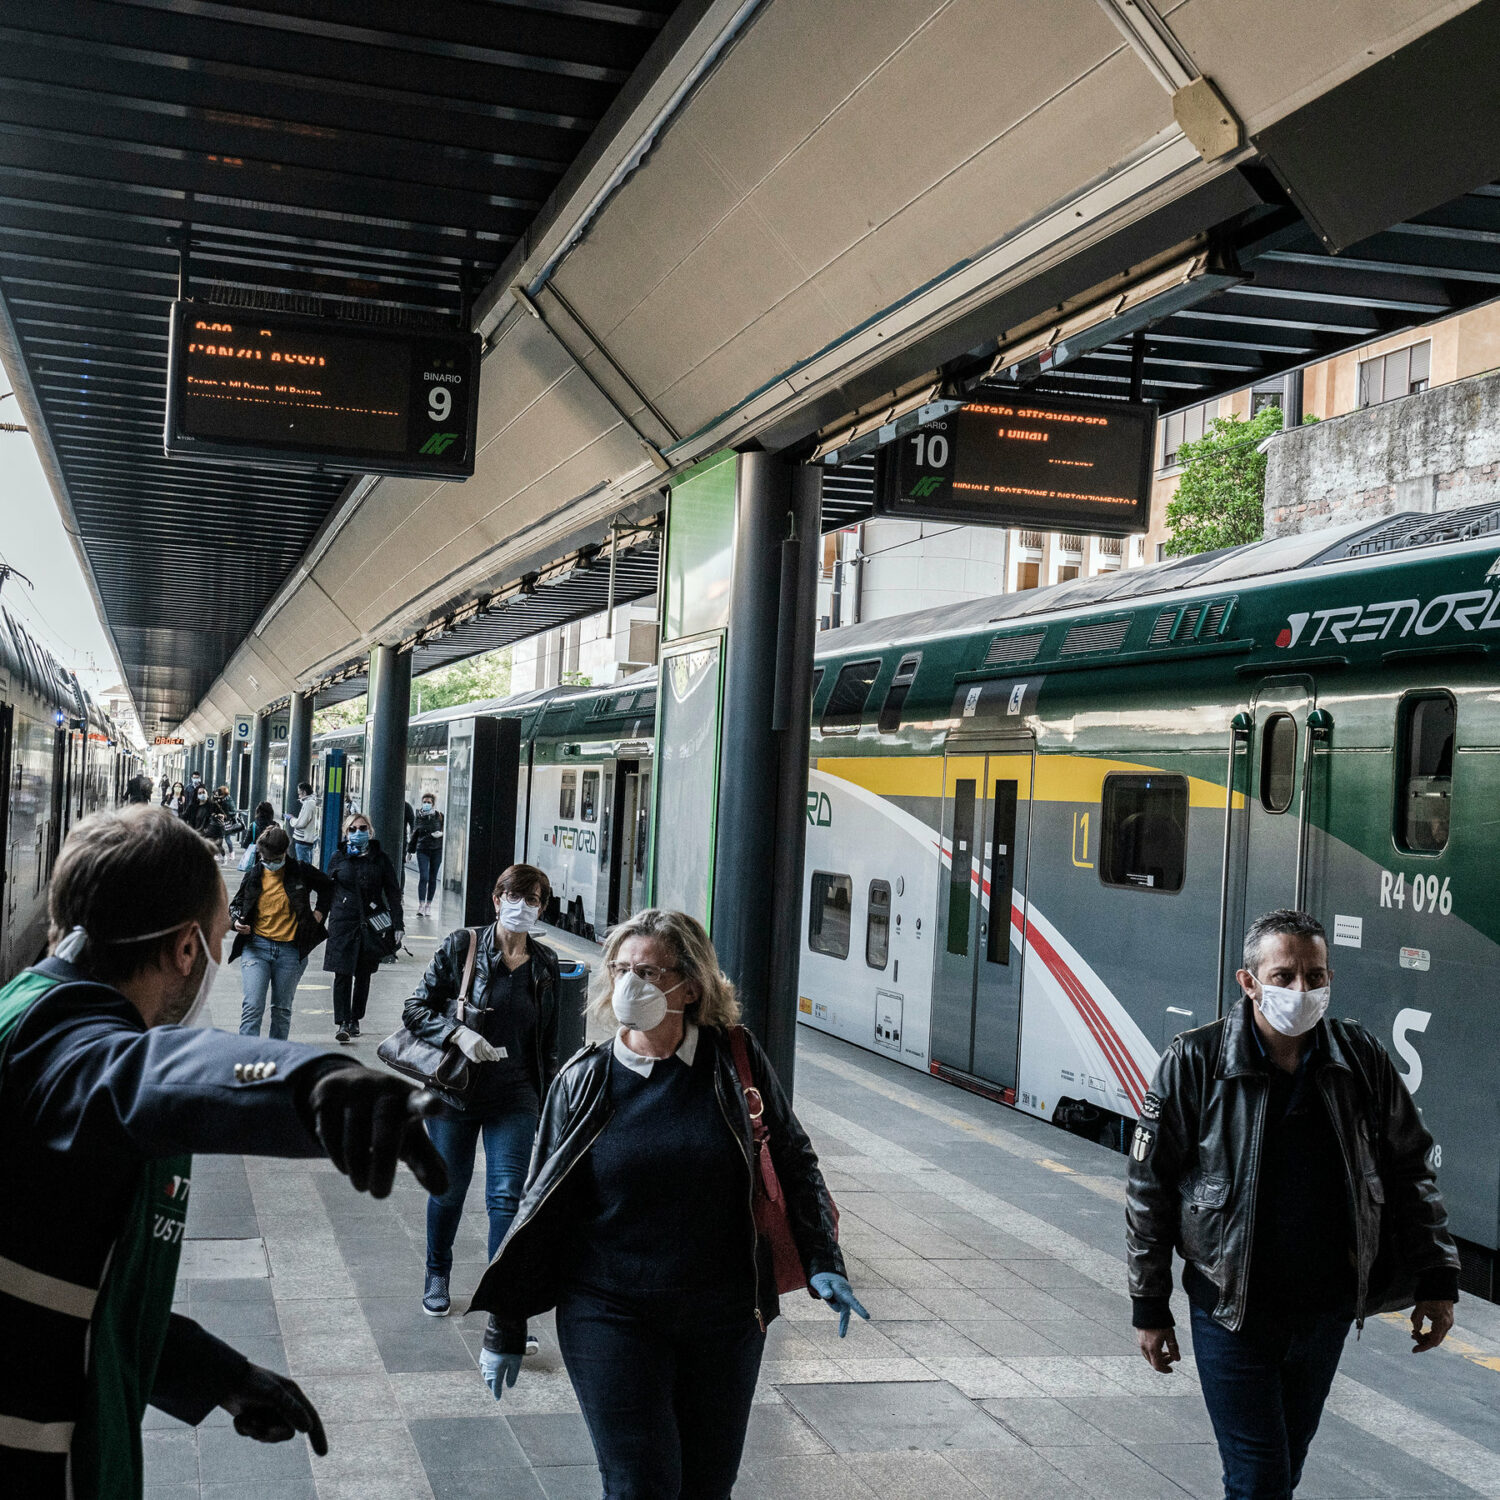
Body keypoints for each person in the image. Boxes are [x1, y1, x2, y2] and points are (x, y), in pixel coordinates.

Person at [0, 805, 447, 1498]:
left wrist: (221, 1378)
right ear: (186, 948)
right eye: (213, 942)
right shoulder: (51, 1036)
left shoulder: (34, 1008)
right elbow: (136, 1077)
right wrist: (309, 1085)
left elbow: (74, 1287)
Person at [468, 907, 865, 1500]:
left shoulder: (735, 1062)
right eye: (623, 969)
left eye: (650, 972)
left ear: (691, 985)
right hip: (610, 1311)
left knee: (706, 1487)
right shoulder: (583, 1080)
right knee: (641, 1485)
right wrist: (505, 1325)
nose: (633, 985)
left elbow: (792, 1156)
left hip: (725, 1317)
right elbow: (537, 1206)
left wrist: (822, 1258)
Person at [1126, 908, 1459, 1500]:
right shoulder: (1196, 1060)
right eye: (1284, 976)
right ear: (1248, 982)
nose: (1302, 990)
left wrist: (1437, 1275)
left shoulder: (1360, 1059)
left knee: (1284, 1468)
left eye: (1316, 975)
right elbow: (1149, 1188)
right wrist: (1150, 1304)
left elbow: (1411, 1166)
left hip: (1325, 1311)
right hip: (1232, 1309)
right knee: (1260, 1479)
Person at [402, 863, 559, 1322]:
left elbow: (549, 1045)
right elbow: (415, 1009)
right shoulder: (462, 946)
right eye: (515, 897)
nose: (523, 907)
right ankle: (437, 1272)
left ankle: (504, 1304)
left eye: (533, 901)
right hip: (456, 1093)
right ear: (496, 899)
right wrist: (456, 1034)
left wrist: (551, 1102)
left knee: (507, 1196)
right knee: (448, 1191)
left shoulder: (546, 966)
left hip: (516, 1097)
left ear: (542, 908)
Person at [231, 826, 336, 1041]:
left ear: (284, 852)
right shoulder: (255, 873)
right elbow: (236, 904)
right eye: (264, 857)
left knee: (281, 1010)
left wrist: (319, 914)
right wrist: (236, 923)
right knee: (252, 1006)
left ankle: (276, 1057)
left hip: (290, 951)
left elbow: (328, 887)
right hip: (256, 948)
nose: (268, 862)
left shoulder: (300, 870)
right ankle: (246, 1057)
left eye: (273, 858)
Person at [322, 811, 403, 1045]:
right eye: (353, 829)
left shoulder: (381, 859)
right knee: (342, 972)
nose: (358, 833)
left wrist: (398, 924)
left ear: (370, 831)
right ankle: (342, 1021)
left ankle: (355, 1017)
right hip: (343, 922)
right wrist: (319, 917)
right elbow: (328, 889)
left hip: (370, 923)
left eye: (362, 828)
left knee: (363, 973)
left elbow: (393, 893)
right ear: (346, 833)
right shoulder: (338, 858)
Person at [408, 792, 445, 919]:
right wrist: (409, 851)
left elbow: (446, 831)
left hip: (437, 849)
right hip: (422, 849)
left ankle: (429, 905)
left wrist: (441, 834)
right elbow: (415, 834)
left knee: (432, 877)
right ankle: (421, 905)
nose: (426, 804)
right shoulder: (418, 816)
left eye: (429, 802)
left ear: (433, 804)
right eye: (425, 802)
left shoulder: (439, 816)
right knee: (424, 876)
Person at [289, 781, 318, 864]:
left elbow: (301, 823)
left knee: (303, 866)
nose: (299, 796)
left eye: (300, 793)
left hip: (303, 840)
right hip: (306, 840)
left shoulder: (309, 804)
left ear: (304, 792)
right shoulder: (311, 802)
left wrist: (291, 819)